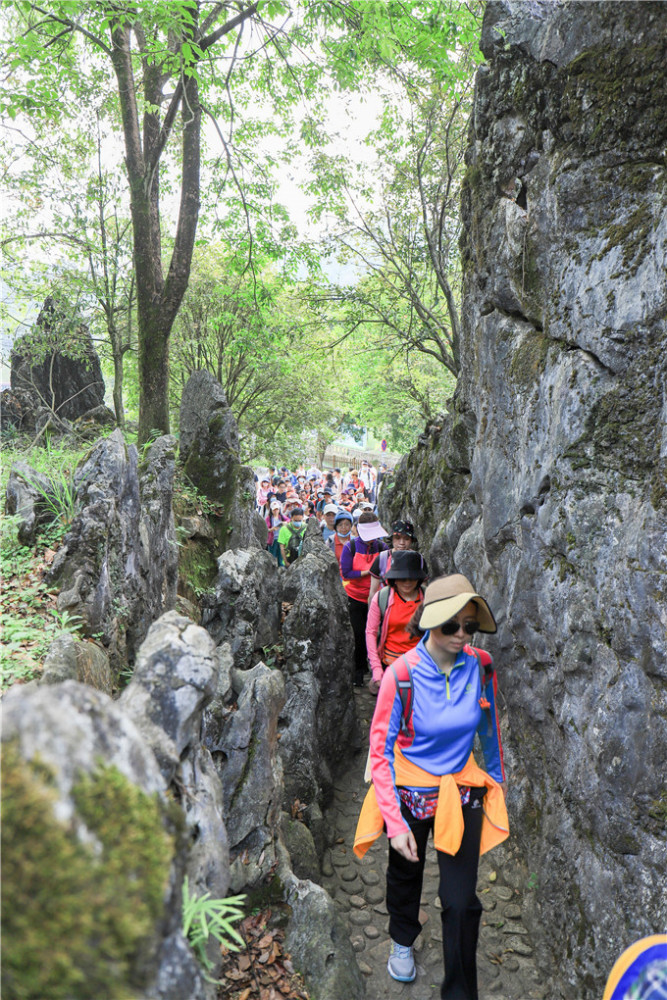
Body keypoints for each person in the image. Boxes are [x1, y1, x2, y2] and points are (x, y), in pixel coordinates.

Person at [354, 574, 509, 999]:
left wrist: (495, 778)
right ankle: (402, 938)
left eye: (470, 626)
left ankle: (460, 993)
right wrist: (394, 822)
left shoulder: (481, 666)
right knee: (406, 874)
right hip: (408, 793)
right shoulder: (400, 676)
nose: (462, 635)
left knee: (461, 902)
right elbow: (380, 751)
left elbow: (488, 726)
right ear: (429, 624)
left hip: (461, 790)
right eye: (451, 626)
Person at [365, 550, 428, 695]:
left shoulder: (428, 598)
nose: (407, 582)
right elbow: (371, 632)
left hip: (421, 665)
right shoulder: (382, 598)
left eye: (412, 578)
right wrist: (376, 669)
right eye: (402, 578)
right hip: (390, 665)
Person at [340, 513, 389, 687]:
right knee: (359, 634)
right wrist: (369, 572)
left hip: (378, 597)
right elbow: (346, 573)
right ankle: (359, 670)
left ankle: (381, 669)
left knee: (382, 634)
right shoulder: (350, 547)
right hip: (356, 598)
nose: (371, 540)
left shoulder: (383, 548)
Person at [368, 519, 419, 605]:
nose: (402, 543)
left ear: (411, 540)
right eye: (397, 538)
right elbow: (372, 593)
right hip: (386, 607)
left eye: (406, 539)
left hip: (411, 609)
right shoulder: (381, 559)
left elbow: (422, 590)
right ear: (392, 539)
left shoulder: (418, 560)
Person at [266, 500, 287, 565]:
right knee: (272, 557)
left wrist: (284, 523)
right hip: (273, 540)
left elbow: (289, 521)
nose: (276, 511)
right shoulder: (268, 518)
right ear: (271, 510)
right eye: (274, 510)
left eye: (277, 509)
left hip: (281, 539)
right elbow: (266, 529)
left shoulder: (282, 517)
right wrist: (271, 529)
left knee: (281, 557)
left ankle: (281, 570)